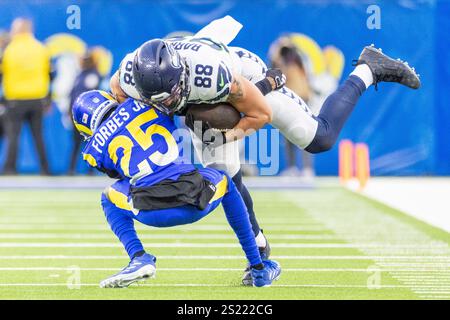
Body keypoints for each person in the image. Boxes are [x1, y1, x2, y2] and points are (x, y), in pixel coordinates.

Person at [72, 90, 282, 288]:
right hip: (195, 199)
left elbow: (120, 174)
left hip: (150, 212)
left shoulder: (93, 149)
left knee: (108, 196)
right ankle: (258, 266)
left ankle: (138, 257)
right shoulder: (146, 103)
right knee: (226, 180)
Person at [0, 18, 51, 175]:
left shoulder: (9, 50)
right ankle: (45, 169)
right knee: (38, 136)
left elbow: (2, 74)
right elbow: (49, 74)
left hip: (15, 99)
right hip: (37, 98)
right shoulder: (41, 48)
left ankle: (10, 169)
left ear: (17, 30)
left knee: (13, 136)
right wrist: (48, 100)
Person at [68, 50, 101, 175]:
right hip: (76, 115)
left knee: (91, 144)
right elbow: (72, 95)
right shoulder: (79, 75)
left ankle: (91, 170)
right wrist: (69, 112)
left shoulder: (94, 75)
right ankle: (71, 169)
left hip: (89, 116)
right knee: (76, 143)